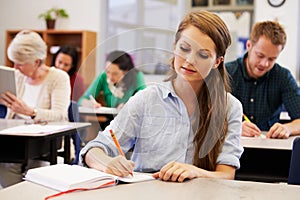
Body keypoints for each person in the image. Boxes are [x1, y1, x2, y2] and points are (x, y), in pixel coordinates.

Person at [79, 11, 243, 182]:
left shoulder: (230, 107)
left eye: (202, 55)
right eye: (184, 49)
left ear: (217, 61)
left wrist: (195, 172)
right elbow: (93, 149)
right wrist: (107, 163)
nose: (189, 60)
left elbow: (226, 174)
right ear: (174, 46)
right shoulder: (146, 99)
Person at [0, 30, 70, 188]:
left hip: (45, 143)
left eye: (20, 63)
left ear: (37, 62)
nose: (15, 67)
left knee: (37, 173)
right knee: (5, 164)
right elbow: (10, 113)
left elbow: (59, 115)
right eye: (14, 62)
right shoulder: (18, 75)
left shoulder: (58, 78)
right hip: (16, 140)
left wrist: (31, 112)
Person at [226, 21, 300, 139]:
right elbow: (206, 117)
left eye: (272, 59)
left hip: (269, 148)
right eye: (260, 55)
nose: (264, 64)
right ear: (249, 46)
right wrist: (232, 126)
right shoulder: (226, 73)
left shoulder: (283, 77)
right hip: (233, 145)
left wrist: (287, 128)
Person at [78, 50, 146, 110]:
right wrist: (89, 104)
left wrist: (129, 106)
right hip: (110, 120)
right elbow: (82, 100)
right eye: (108, 72)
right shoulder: (103, 76)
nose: (110, 77)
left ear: (126, 71)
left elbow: (144, 101)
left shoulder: (137, 76)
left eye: (115, 74)